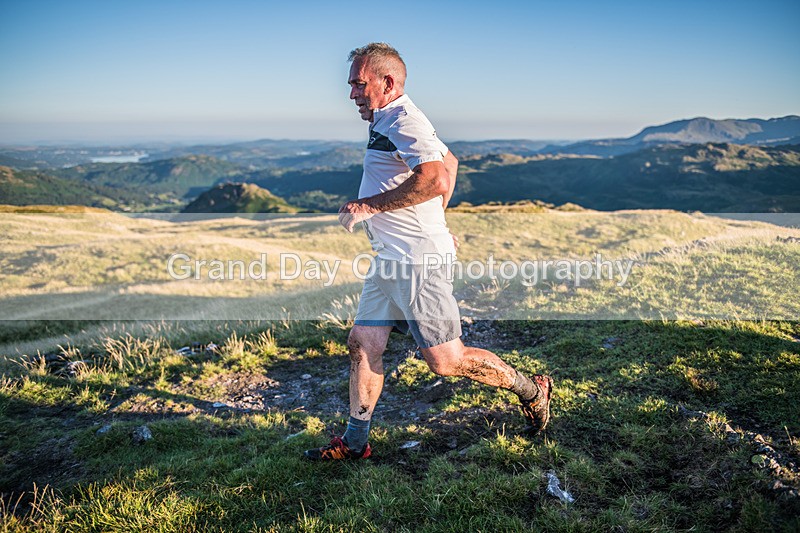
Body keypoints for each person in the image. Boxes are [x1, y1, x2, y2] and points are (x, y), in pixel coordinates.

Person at [304, 43, 553, 460]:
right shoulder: (387, 118)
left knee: (445, 360)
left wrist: (366, 207)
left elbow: (436, 177)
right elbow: (451, 162)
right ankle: (355, 443)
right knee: (363, 343)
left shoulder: (403, 118)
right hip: (391, 259)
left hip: (416, 261)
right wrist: (437, 221)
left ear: (388, 82)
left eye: (358, 84)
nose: (351, 94)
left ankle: (531, 389)